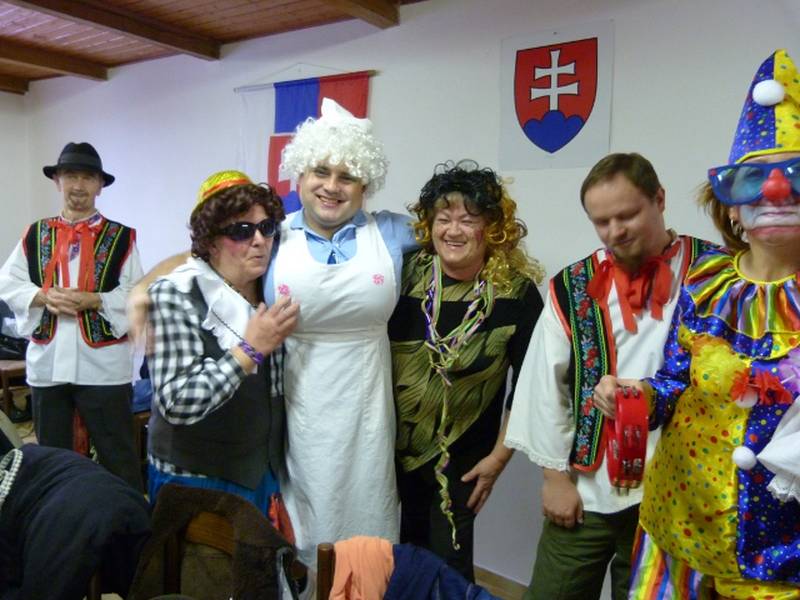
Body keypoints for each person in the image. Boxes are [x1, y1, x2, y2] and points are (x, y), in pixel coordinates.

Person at [593, 49, 800, 600]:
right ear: (730, 205)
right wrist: (636, 396)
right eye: (753, 180)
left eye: (796, 176)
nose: (776, 193)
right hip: (679, 518)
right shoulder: (708, 282)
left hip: (780, 549)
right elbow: (674, 380)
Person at [504, 152, 715, 600]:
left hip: (682, 490)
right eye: (601, 222)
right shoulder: (573, 284)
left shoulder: (715, 274)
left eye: (627, 215)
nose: (615, 231)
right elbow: (544, 385)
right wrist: (554, 479)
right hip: (590, 486)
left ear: (659, 199)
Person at [269, 98, 418, 567]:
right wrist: (143, 288)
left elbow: (462, 232)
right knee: (306, 520)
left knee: (368, 512)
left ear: (365, 185)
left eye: (347, 176)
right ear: (299, 176)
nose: (332, 187)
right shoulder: (270, 238)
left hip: (369, 404)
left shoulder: (392, 233)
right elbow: (200, 256)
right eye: (321, 172)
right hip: (299, 406)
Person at [388, 160, 545, 580]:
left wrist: (498, 459)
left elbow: (528, 387)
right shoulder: (404, 276)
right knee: (392, 558)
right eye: (443, 219)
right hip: (389, 450)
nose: (453, 231)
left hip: (463, 462)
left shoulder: (516, 294)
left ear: (492, 228)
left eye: (468, 220)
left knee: (448, 566)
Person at [146, 170, 298, 518]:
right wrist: (248, 351)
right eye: (241, 231)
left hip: (264, 472)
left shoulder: (274, 285)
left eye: (266, 228)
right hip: (195, 478)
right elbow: (176, 400)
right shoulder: (176, 293)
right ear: (211, 242)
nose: (259, 240)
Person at [0, 142, 144, 490]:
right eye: (70, 176)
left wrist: (94, 300)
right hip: (48, 364)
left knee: (117, 454)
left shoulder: (120, 237)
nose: (78, 186)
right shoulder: (36, 234)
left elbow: (138, 294)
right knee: (52, 458)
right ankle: (61, 515)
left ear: (100, 185)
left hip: (104, 367)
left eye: (88, 178)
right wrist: (42, 295)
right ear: (57, 181)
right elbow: (8, 282)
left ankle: (126, 517)